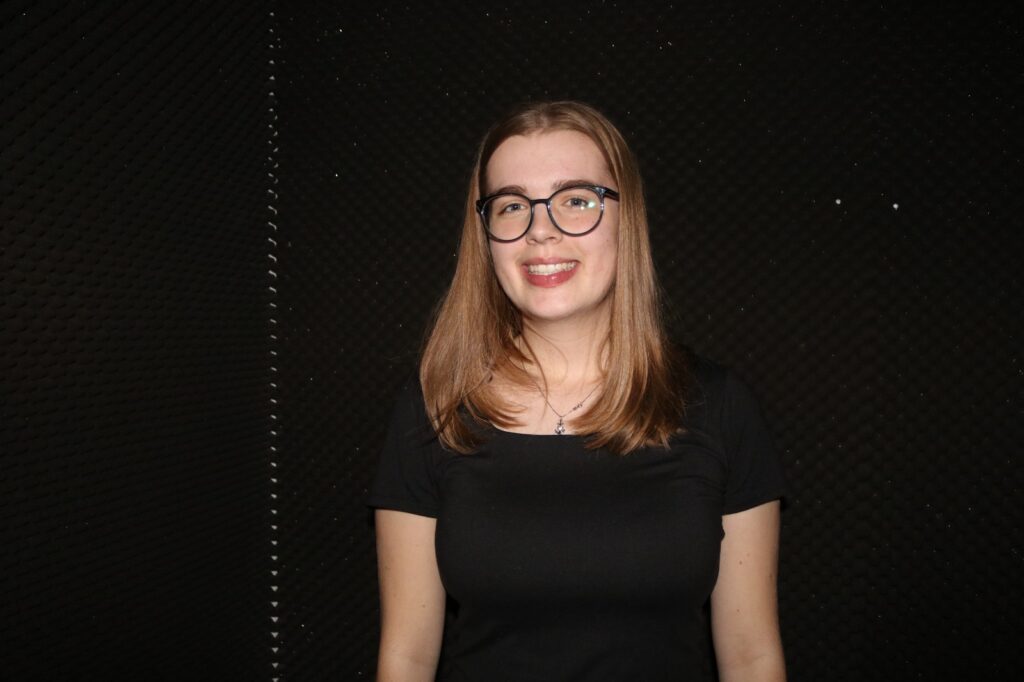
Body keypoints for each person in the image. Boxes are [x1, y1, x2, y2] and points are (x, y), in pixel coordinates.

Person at [367, 101, 788, 681]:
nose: (540, 230)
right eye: (512, 205)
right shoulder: (434, 408)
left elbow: (751, 656)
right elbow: (406, 658)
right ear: (486, 235)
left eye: (576, 200)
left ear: (626, 217)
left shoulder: (718, 405)